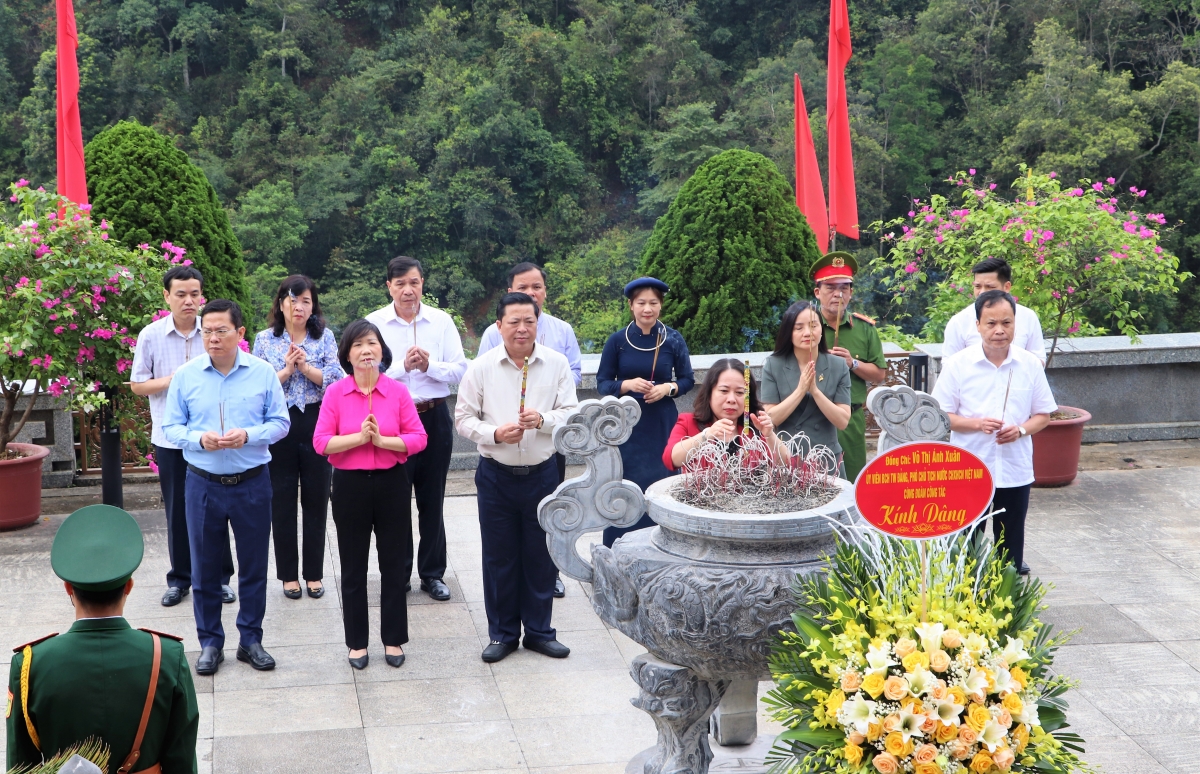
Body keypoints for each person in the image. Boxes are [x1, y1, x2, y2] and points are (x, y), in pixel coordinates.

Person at [7, 505, 199, 774]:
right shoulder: (166, 655)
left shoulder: (30, 664)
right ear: (129, 587)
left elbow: (21, 766)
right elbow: (182, 763)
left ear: (68, 588)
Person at [162, 299, 290, 675]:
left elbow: (280, 423)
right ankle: (210, 643)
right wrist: (199, 439)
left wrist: (248, 435)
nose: (213, 338)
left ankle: (250, 639)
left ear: (240, 333)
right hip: (203, 485)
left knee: (253, 566)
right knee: (203, 569)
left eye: (221, 331)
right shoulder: (186, 375)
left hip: (252, 483)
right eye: (207, 331)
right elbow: (171, 428)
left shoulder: (263, 373)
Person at [455, 292, 579, 664]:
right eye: (514, 321)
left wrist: (543, 421)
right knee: (500, 557)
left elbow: (571, 412)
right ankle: (503, 634)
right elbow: (462, 418)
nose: (522, 328)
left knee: (540, 555)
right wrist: (494, 433)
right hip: (496, 475)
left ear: (537, 324)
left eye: (529, 321)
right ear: (499, 326)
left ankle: (540, 632)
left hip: (543, 473)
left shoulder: (555, 364)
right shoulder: (481, 368)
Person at [313, 320, 428, 670]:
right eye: (359, 345)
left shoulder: (397, 391)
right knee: (352, 566)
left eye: (372, 344)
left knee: (394, 565)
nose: (366, 350)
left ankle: (393, 639)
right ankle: (357, 643)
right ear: (347, 354)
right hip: (349, 485)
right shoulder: (335, 393)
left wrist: (382, 442)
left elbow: (418, 438)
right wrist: (359, 439)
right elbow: (321, 443)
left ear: (382, 351)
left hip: (392, 482)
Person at [130, 265, 236, 609]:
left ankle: (220, 579)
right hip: (172, 439)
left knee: (217, 509)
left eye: (194, 294)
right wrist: (174, 380)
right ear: (166, 296)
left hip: (211, 438)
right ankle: (180, 579)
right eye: (181, 294)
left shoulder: (215, 331)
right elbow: (137, 384)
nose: (189, 301)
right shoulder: (151, 335)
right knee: (178, 512)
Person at [931, 290, 1056, 576]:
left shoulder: (1029, 365)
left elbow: (1044, 416)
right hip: (968, 467)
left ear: (1015, 324)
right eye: (991, 323)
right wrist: (976, 424)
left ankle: (1007, 603)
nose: (999, 330)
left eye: (1006, 323)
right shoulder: (958, 365)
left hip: (1015, 468)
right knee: (964, 546)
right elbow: (940, 416)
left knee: (1010, 547)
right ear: (977, 325)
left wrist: (1022, 429)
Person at [477, 261, 582, 598]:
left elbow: (574, 377)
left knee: (546, 521)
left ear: (545, 292)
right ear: (509, 293)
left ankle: (549, 576)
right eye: (523, 287)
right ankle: (503, 627)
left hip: (546, 443)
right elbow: (479, 387)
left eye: (537, 286)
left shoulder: (561, 331)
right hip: (500, 453)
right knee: (500, 542)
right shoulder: (493, 334)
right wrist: (495, 429)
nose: (531, 293)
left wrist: (547, 405)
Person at [366, 256, 468, 602]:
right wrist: (400, 369)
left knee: (432, 498)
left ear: (423, 283)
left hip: (434, 416)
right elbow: (363, 373)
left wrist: (430, 366)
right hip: (391, 419)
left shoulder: (440, 321)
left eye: (414, 282)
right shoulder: (374, 323)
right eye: (400, 284)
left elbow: (460, 370)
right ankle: (398, 572)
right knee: (394, 500)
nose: (408, 290)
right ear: (389, 287)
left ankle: (433, 574)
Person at [252, 275, 344, 601]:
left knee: (317, 498)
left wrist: (305, 368)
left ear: (313, 306)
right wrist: (287, 371)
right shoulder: (264, 340)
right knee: (282, 498)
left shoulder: (325, 338)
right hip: (279, 424)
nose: (299, 306)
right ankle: (289, 575)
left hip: (317, 422)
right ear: (281, 304)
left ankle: (314, 574)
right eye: (293, 300)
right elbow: (258, 387)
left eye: (306, 301)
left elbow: (335, 383)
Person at [596, 277, 695, 546]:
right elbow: (602, 383)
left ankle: (664, 543)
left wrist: (667, 389)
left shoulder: (672, 339)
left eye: (653, 303)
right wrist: (626, 385)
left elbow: (687, 380)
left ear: (660, 306)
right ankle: (617, 547)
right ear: (631, 306)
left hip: (662, 423)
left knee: (662, 481)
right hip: (627, 427)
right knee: (626, 483)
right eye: (641, 303)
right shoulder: (617, 341)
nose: (647, 309)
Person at [811, 252, 887, 481]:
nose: (838, 294)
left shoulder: (864, 329)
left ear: (851, 292)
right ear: (817, 292)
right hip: (811, 418)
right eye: (831, 287)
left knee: (852, 482)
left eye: (844, 287)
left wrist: (852, 363)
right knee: (811, 481)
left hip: (850, 419)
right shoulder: (805, 325)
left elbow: (879, 375)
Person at [760, 301, 852, 476]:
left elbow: (842, 421)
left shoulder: (838, 365)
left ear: (821, 329)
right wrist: (801, 390)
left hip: (827, 458)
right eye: (799, 328)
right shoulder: (773, 365)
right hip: (788, 457)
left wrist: (815, 392)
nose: (808, 333)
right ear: (789, 333)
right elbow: (770, 419)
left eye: (813, 326)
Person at [663, 358, 786, 470]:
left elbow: (788, 465)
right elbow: (670, 459)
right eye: (724, 391)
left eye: (739, 392)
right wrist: (707, 435)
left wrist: (770, 435)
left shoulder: (754, 427)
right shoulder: (689, 422)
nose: (731, 399)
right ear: (709, 393)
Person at [940, 257, 1047, 363]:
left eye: (989, 287)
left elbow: (1038, 360)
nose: (982, 292)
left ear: (1007, 287)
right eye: (977, 286)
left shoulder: (1028, 317)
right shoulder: (959, 321)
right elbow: (949, 364)